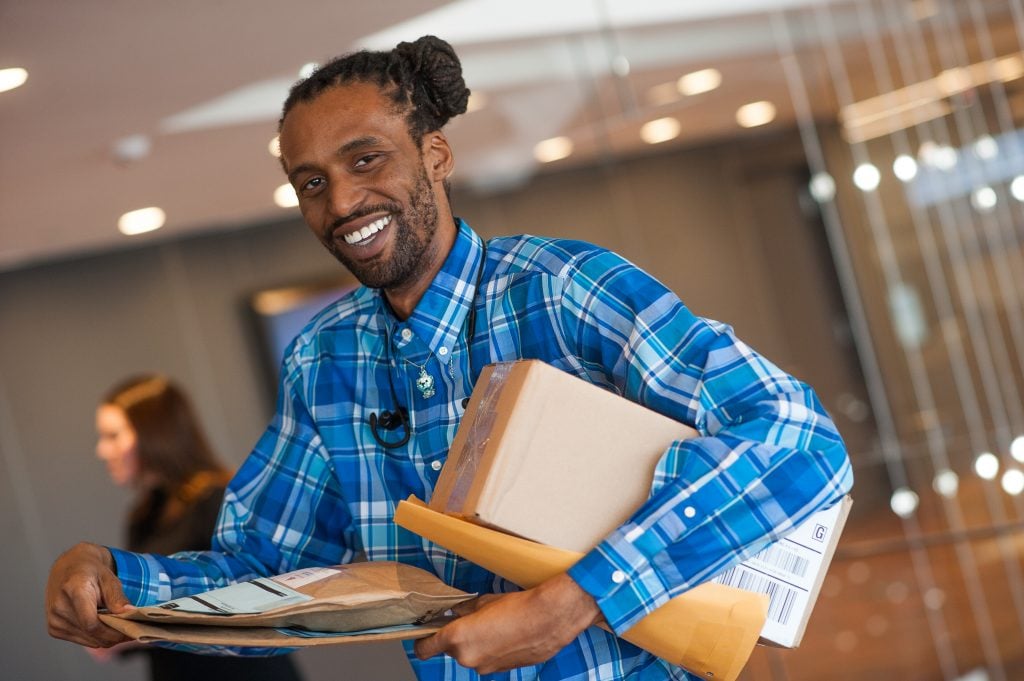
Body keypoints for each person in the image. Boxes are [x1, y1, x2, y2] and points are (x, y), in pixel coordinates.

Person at [46, 36, 853, 680]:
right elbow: (267, 573)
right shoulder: (325, 362)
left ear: (436, 153)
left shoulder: (560, 288)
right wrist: (120, 580)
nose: (341, 202)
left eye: (367, 159)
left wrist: (577, 598)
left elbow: (796, 440)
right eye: (310, 182)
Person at [89, 374, 304, 681]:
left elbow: (254, 603)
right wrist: (120, 634)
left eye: (113, 436)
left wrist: (143, 626)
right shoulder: (143, 515)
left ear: (155, 434)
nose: (102, 450)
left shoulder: (218, 501)